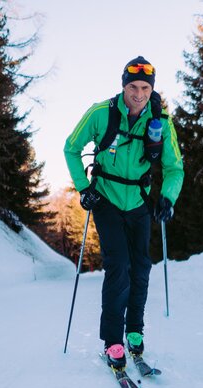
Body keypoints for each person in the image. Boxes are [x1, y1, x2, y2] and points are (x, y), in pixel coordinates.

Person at [63, 55, 184, 370]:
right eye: (133, 86)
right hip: (106, 199)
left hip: (140, 202)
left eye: (145, 87)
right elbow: (71, 148)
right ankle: (113, 341)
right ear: (124, 86)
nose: (139, 93)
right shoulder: (101, 114)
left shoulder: (161, 123)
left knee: (141, 268)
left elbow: (174, 168)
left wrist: (168, 199)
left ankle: (134, 332)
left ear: (151, 88)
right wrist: (84, 188)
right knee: (118, 266)